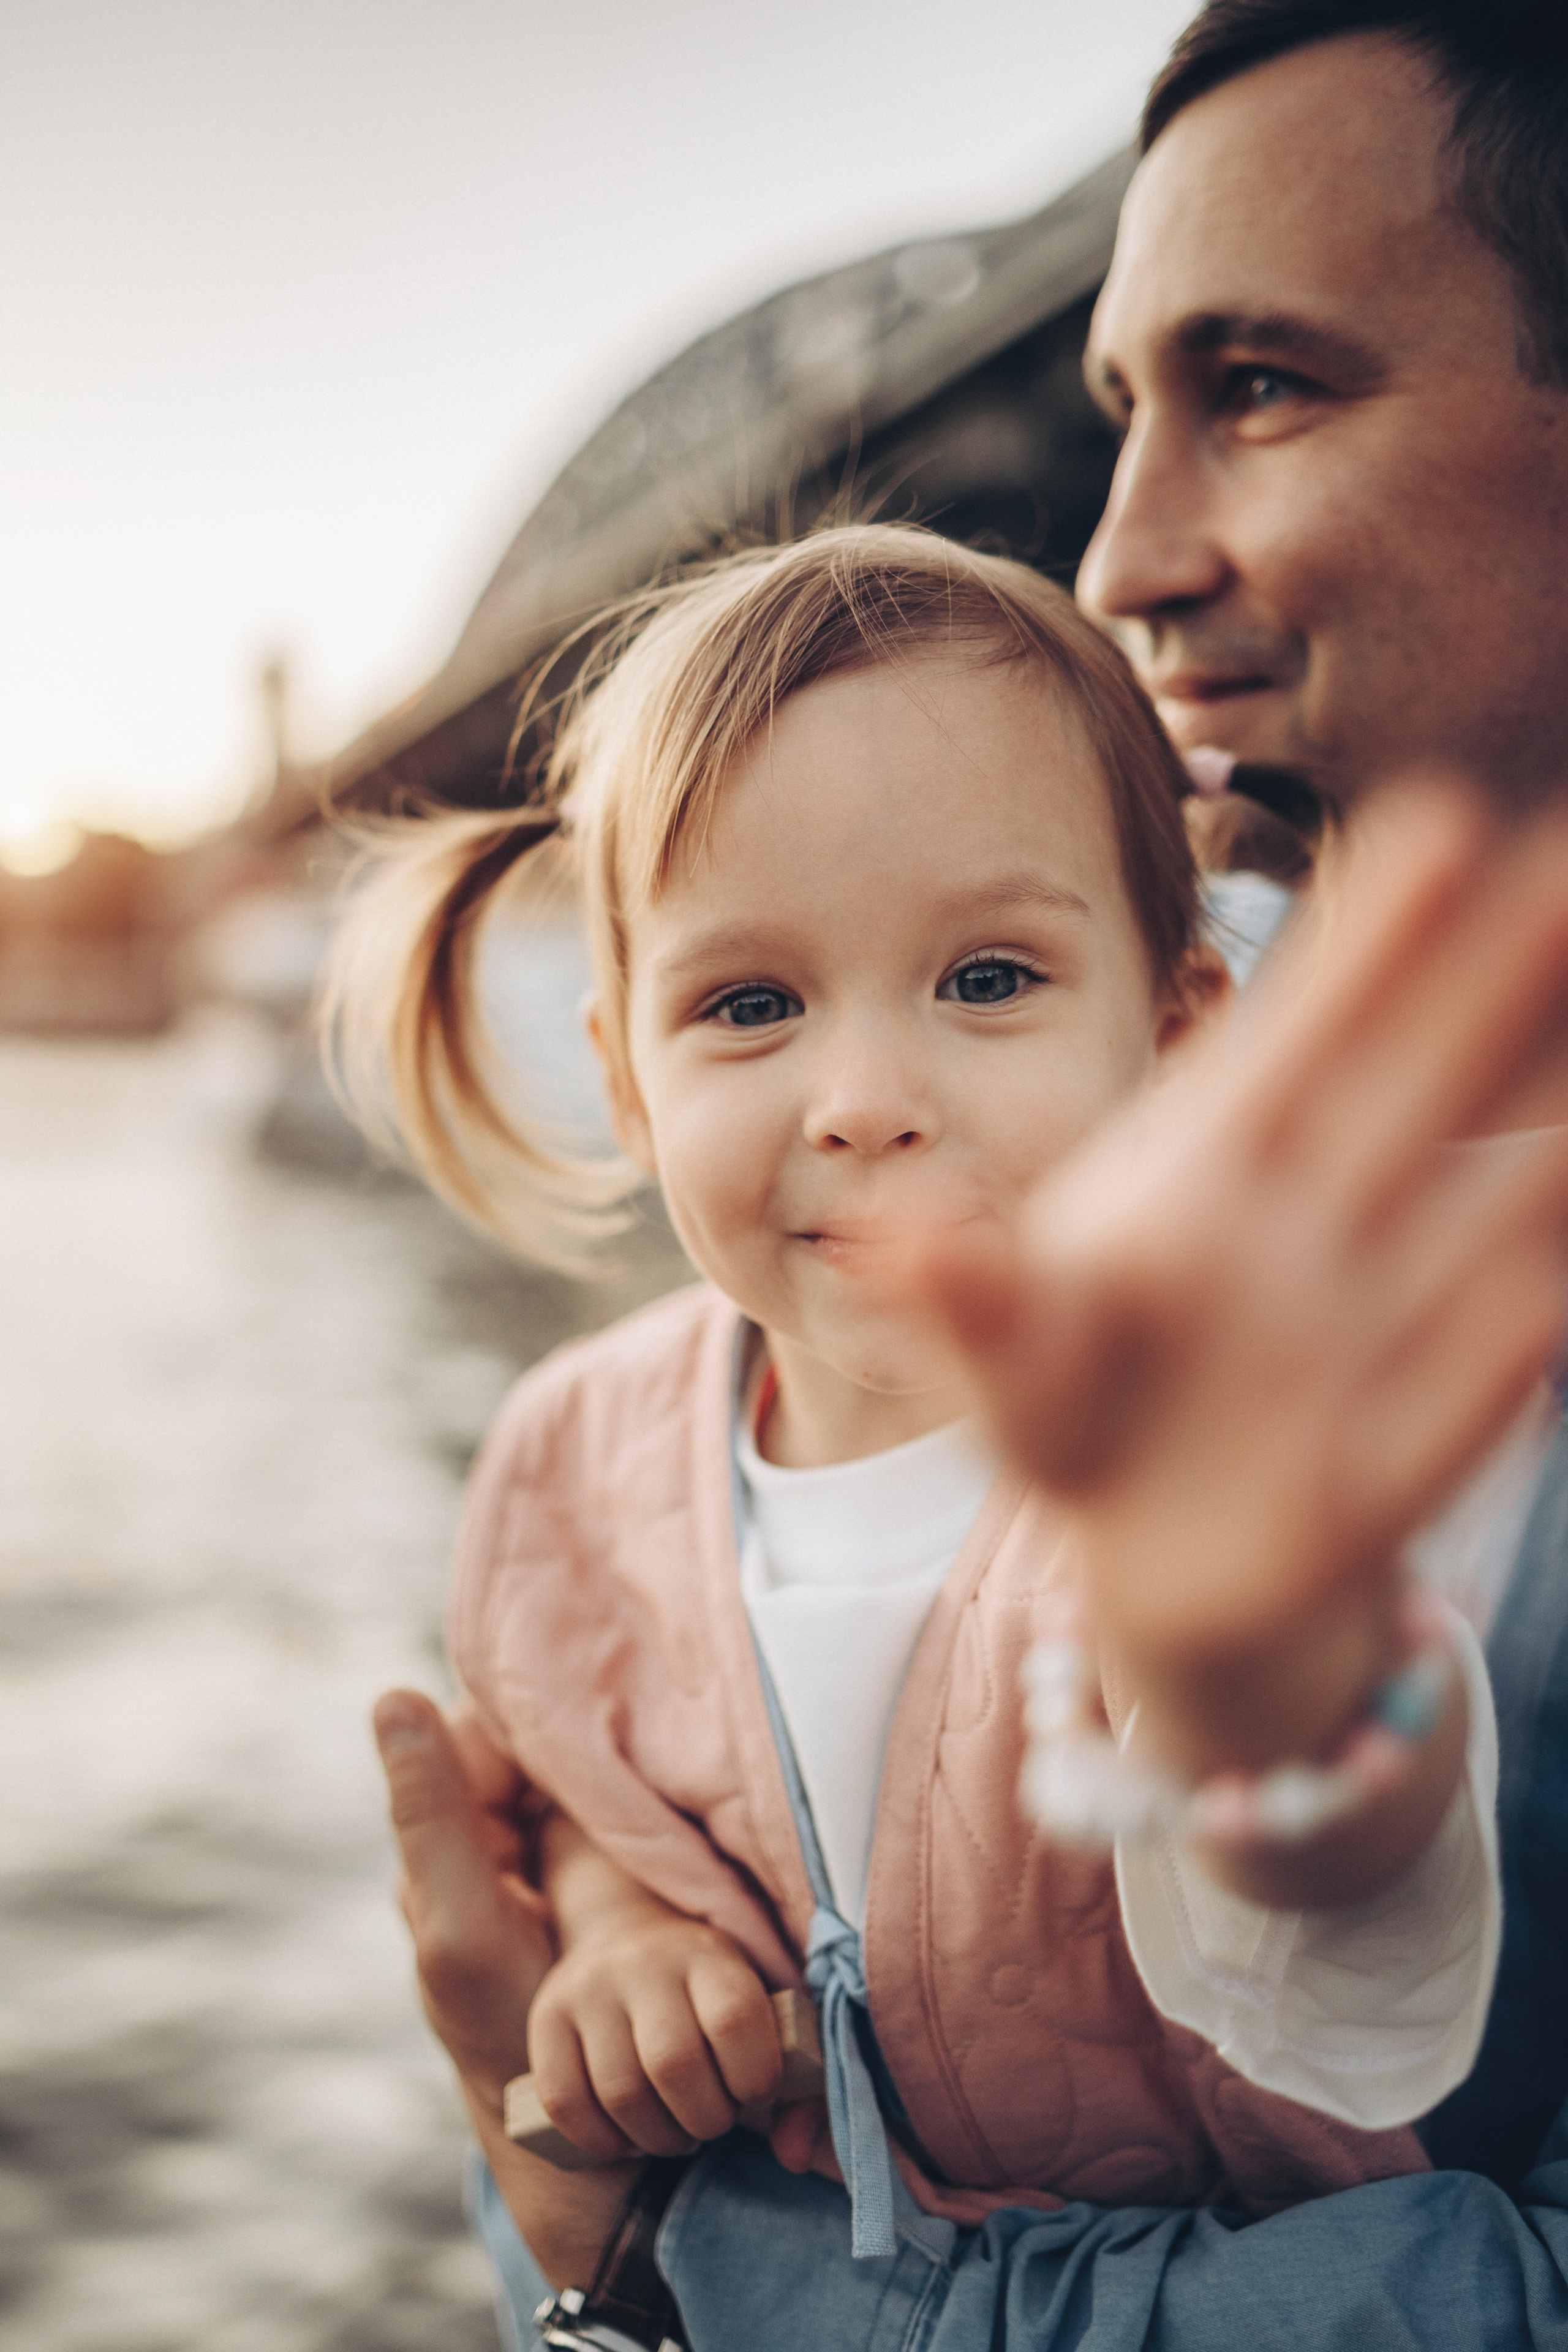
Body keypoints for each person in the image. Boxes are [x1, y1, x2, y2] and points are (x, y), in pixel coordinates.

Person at [371, 4, 1568, 2344]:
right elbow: (587, 1828)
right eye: (747, 1003)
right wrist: (618, 1962)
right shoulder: (590, 1459)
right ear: (619, 1069)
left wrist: (1283, 1699)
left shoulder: (1245, 1378)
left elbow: (1336, 1937)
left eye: (1273, 383)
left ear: (1174, 1019)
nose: (1122, 550)